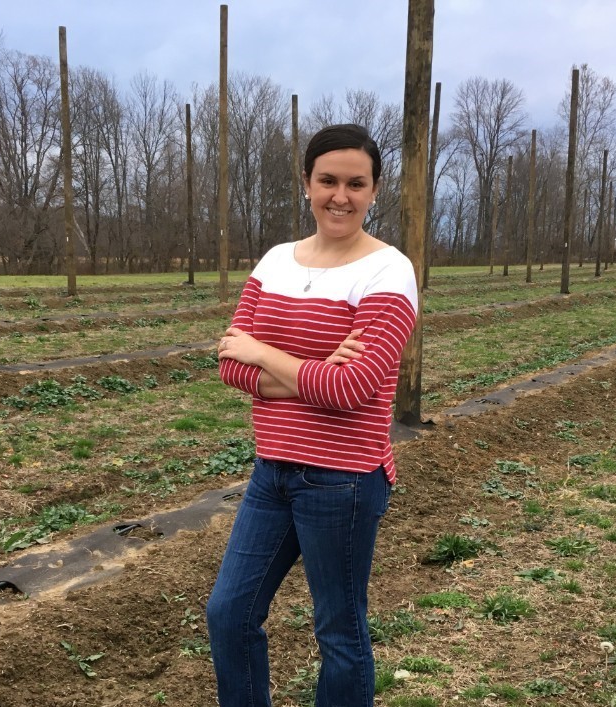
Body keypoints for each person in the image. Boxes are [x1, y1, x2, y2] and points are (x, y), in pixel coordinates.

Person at [206, 123, 418, 706]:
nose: (340, 196)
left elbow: (354, 388)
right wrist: (311, 372)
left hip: (345, 479)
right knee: (228, 613)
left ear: (376, 190)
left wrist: (267, 355)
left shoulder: (387, 272)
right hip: (272, 472)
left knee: (338, 631)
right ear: (306, 183)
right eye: (328, 180)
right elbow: (230, 364)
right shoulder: (275, 261)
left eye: (356, 183)